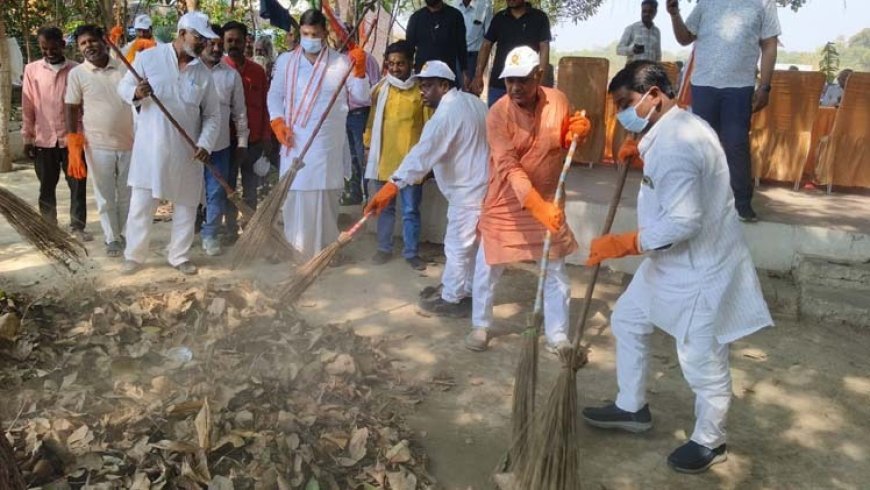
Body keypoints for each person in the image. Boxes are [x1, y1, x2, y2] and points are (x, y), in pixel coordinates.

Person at [581, 61, 773, 474]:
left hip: (699, 270)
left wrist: (624, 242)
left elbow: (684, 221)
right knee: (628, 319)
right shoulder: (671, 130)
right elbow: (673, 186)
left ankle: (711, 439)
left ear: (654, 95)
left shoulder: (677, 143)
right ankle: (631, 406)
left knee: (702, 361)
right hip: (667, 263)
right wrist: (643, 157)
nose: (622, 114)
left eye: (626, 103)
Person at [466, 46, 590, 352]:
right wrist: (535, 205)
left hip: (548, 199)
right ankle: (481, 326)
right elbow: (507, 164)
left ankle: (558, 334)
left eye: (522, 79)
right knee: (488, 265)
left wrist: (575, 134)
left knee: (555, 269)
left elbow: (562, 145)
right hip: (506, 201)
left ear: (539, 75)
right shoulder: (497, 113)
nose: (515, 87)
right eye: (509, 80)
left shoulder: (558, 100)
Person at [366, 60, 488, 316]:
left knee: (457, 246)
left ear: (444, 85)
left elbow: (421, 156)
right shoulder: (474, 102)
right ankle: (464, 290)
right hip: (482, 188)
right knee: (471, 248)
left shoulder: (445, 115)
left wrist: (391, 186)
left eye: (429, 85)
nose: (422, 91)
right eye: (421, 85)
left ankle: (452, 299)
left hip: (467, 193)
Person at [117, 11, 220, 275]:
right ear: (182, 33)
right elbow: (123, 87)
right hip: (150, 149)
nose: (202, 44)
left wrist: (205, 144)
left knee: (186, 206)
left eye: (204, 39)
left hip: (187, 152)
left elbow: (212, 115)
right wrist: (137, 92)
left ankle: (179, 255)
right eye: (198, 37)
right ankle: (134, 255)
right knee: (141, 205)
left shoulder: (204, 74)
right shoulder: (148, 58)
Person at [267, 9, 370, 260]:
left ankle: (325, 252)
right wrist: (277, 121)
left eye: (314, 33)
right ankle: (297, 250)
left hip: (326, 142)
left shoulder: (341, 63)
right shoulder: (285, 62)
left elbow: (361, 97)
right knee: (295, 196)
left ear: (324, 33)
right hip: (293, 139)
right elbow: (274, 95)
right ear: (299, 33)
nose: (310, 38)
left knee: (325, 198)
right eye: (305, 34)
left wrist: (359, 72)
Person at [667, 0, 780, 222]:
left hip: (739, 87)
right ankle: (699, 202)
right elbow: (685, 37)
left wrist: (765, 86)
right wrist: (674, 14)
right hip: (704, 85)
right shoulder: (706, 2)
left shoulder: (764, 3)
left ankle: (742, 203)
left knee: (736, 143)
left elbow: (769, 45)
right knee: (702, 145)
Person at [64, 24, 133, 256]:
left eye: (92, 41)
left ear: (104, 41)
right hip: (97, 144)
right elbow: (71, 107)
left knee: (126, 194)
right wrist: (73, 139)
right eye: (83, 43)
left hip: (130, 143)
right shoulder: (77, 74)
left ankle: (124, 234)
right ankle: (111, 238)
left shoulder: (124, 68)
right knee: (104, 195)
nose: (88, 46)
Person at [362, 41, 431, 270]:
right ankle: (384, 249)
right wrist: (367, 146)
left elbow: (430, 126)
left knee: (410, 210)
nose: (395, 68)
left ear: (411, 63)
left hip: (411, 162)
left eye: (400, 63)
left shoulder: (421, 90)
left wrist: (428, 160)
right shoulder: (382, 89)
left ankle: (411, 252)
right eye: (390, 63)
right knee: (385, 208)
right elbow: (372, 121)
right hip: (384, 160)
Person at [21, 26, 91, 242]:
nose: (49, 52)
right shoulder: (32, 70)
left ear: (63, 45)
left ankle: (77, 226)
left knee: (77, 185)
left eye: (53, 48)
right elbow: (28, 105)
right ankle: (49, 227)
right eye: (44, 48)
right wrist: (28, 137)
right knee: (46, 186)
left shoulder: (77, 70)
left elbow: (85, 106)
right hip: (44, 140)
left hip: (73, 139)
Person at [199, 24, 249, 257]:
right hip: (189, 146)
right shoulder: (188, 71)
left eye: (220, 44)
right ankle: (187, 234)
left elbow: (239, 112)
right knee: (189, 193)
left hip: (219, 146)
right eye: (212, 43)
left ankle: (210, 234)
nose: (217, 48)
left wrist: (242, 142)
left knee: (217, 191)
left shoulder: (231, 75)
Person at [223, 21, 270, 243]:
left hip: (254, 142)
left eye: (237, 40)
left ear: (245, 42)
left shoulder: (258, 72)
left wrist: (266, 138)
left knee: (251, 189)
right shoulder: (218, 70)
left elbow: (266, 105)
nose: (233, 44)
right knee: (229, 189)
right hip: (227, 142)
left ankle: (250, 229)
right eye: (229, 40)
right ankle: (230, 230)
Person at [469, 0, 552, 107]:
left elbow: (544, 48)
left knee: (525, 122)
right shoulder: (499, 18)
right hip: (499, 85)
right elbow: (486, 45)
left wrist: (540, 82)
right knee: (496, 121)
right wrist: (478, 75)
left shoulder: (539, 18)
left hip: (527, 86)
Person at [341, 25, 381, 206]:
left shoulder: (367, 59)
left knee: (362, 154)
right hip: (343, 114)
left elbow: (374, 88)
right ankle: (354, 192)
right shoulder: (338, 61)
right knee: (349, 156)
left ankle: (368, 195)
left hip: (360, 114)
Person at [405, 0, 468, 79]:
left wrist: (464, 73)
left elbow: (461, 47)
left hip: (447, 76)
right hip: (422, 76)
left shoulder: (455, 16)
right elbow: (409, 50)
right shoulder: (416, 18)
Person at [454, 0, 493, 88]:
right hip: (456, 57)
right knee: (455, 94)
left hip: (474, 58)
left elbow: (489, 36)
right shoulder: (455, 4)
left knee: (471, 94)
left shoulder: (485, 4)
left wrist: (479, 72)